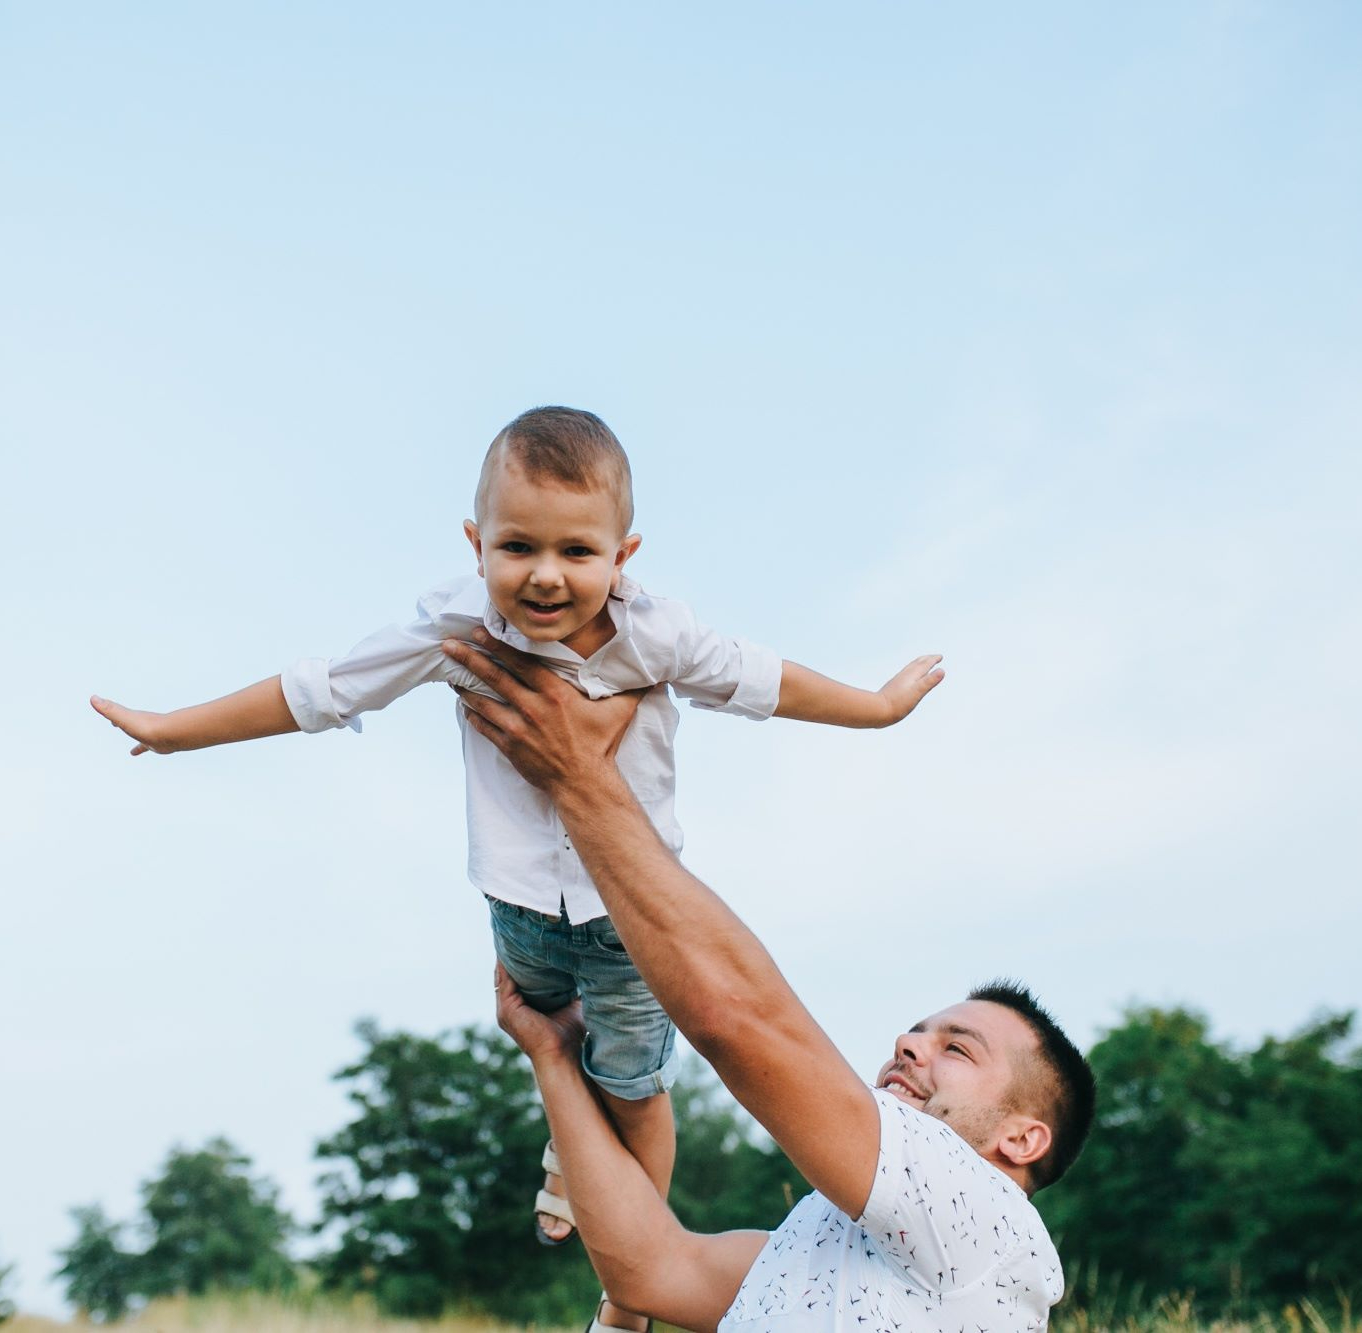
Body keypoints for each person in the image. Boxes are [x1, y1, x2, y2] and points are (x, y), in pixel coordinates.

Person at [89, 407, 943, 1331]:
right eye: (517, 546)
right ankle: (569, 1148)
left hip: (632, 920)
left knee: (634, 1086)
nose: (544, 574)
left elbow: (763, 681)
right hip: (522, 909)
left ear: (622, 555)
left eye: (577, 551)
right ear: (477, 543)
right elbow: (321, 690)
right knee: (557, 1052)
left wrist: (877, 706)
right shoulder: (455, 629)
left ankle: (630, 1293)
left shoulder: (656, 634)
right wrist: (175, 731)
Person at [440, 629, 1096, 1333]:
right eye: (920, 1032)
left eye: (957, 1048)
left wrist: (580, 777)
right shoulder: (816, 1243)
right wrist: (554, 1055)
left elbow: (737, 1017)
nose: (908, 1044)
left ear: (1022, 1140)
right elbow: (646, 1270)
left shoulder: (989, 1224)